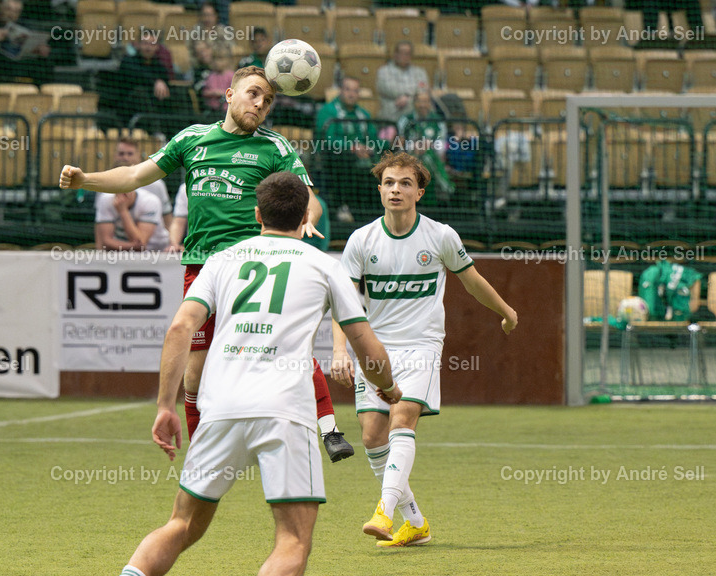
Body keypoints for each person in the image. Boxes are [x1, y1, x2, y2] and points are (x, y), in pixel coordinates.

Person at [60, 66, 356, 463]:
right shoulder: (192, 139)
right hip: (203, 267)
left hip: (256, 267)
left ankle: (330, 430)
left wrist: (307, 219)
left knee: (289, 347)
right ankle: (202, 454)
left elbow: (309, 199)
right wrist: (85, 180)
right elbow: (133, 175)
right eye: (253, 94)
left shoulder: (275, 147)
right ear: (229, 95)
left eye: (268, 101)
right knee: (195, 373)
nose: (260, 104)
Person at [117, 171, 401, 576]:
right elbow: (364, 342)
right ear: (307, 216)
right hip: (285, 410)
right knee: (293, 540)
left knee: (181, 524)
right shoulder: (324, 265)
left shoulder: (221, 260)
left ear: (256, 214)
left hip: (220, 406)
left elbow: (180, 328)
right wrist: (387, 385)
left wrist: (166, 405)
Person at [331, 151, 518, 548]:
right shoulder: (361, 240)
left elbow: (472, 281)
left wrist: (506, 311)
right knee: (372, 436)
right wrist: (340, 350)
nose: (396, 190)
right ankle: (414, 522)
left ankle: (383, 511)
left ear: (419, 192)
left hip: (421, 345)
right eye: (389, 183)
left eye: (405, 183)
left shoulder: (440, 236)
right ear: (379, 189)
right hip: (375, 348)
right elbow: (343, 302)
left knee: (402, 420)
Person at [314, 76, 381, 223]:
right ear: (340, 90)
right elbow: (328, 140)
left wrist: (370, 148)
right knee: (343, 157)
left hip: (362, 158)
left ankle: (372, 214)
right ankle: (342, 207)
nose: (351, 94)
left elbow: (374, 139)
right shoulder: (328, 111)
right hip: (333, 159)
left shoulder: (363, 114)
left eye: (355, 91)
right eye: (348, 89)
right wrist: (352, 148)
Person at [94, 139, 170, 252]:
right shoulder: (104, 193)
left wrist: (172, 243)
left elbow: (167, 217)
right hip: (123, 250)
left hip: (156, 249)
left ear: (139, 156)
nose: (125, 158)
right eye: (121, 154)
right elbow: (103, 234)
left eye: (130, 154)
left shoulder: (155, 188)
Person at [0, 0, 54, 85]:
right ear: (0, 6)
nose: (11, 15)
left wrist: (39, 49)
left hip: (19, 65)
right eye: (8, 9)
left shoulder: (23, 24)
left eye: (17, 12)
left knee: (44, 62)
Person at [100, 28, 172, 130]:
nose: (148, 47)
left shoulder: (160, 68)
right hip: (126, 111)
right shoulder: (128, 61)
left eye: (152, 44)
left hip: (153, 108)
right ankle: (156, 132)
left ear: (157, 47)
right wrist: (155, 82)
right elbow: (138, 75)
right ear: (138, 45)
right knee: (140, 93)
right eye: (145, 43)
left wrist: (161, 83)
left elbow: (165, 89)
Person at [397, 91, 456, 204]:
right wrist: (413, 147)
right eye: (419, 101)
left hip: (432, 156)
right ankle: (445, 185)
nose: (422, 105)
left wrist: (429, 146)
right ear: (414, 103)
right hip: (410, 157)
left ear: (430, 103)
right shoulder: (406, 119)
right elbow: (400, 143)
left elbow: (441, 145)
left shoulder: (438, 120)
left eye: (425, 101)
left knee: (427, 156)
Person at [375, 41, 430, 122]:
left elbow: (423, 91)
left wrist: (407, 98)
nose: (405, 56)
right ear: (395, 54)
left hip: (415, 117)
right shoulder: (383, 71)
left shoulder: (420, 72)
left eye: (408, 53)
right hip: (392, 115)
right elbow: (390, 89)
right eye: (402, 53)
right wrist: (412, 94)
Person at [201, 45, 236, 113]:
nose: (217, 62)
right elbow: (205, 92)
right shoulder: (211, 76)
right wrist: (213, 93)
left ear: (227, 60)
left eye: (220, 59)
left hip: (227, 110)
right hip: (212, 109)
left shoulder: (231, 75)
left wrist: (221, 93)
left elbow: (235, 92)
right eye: (214, 59)